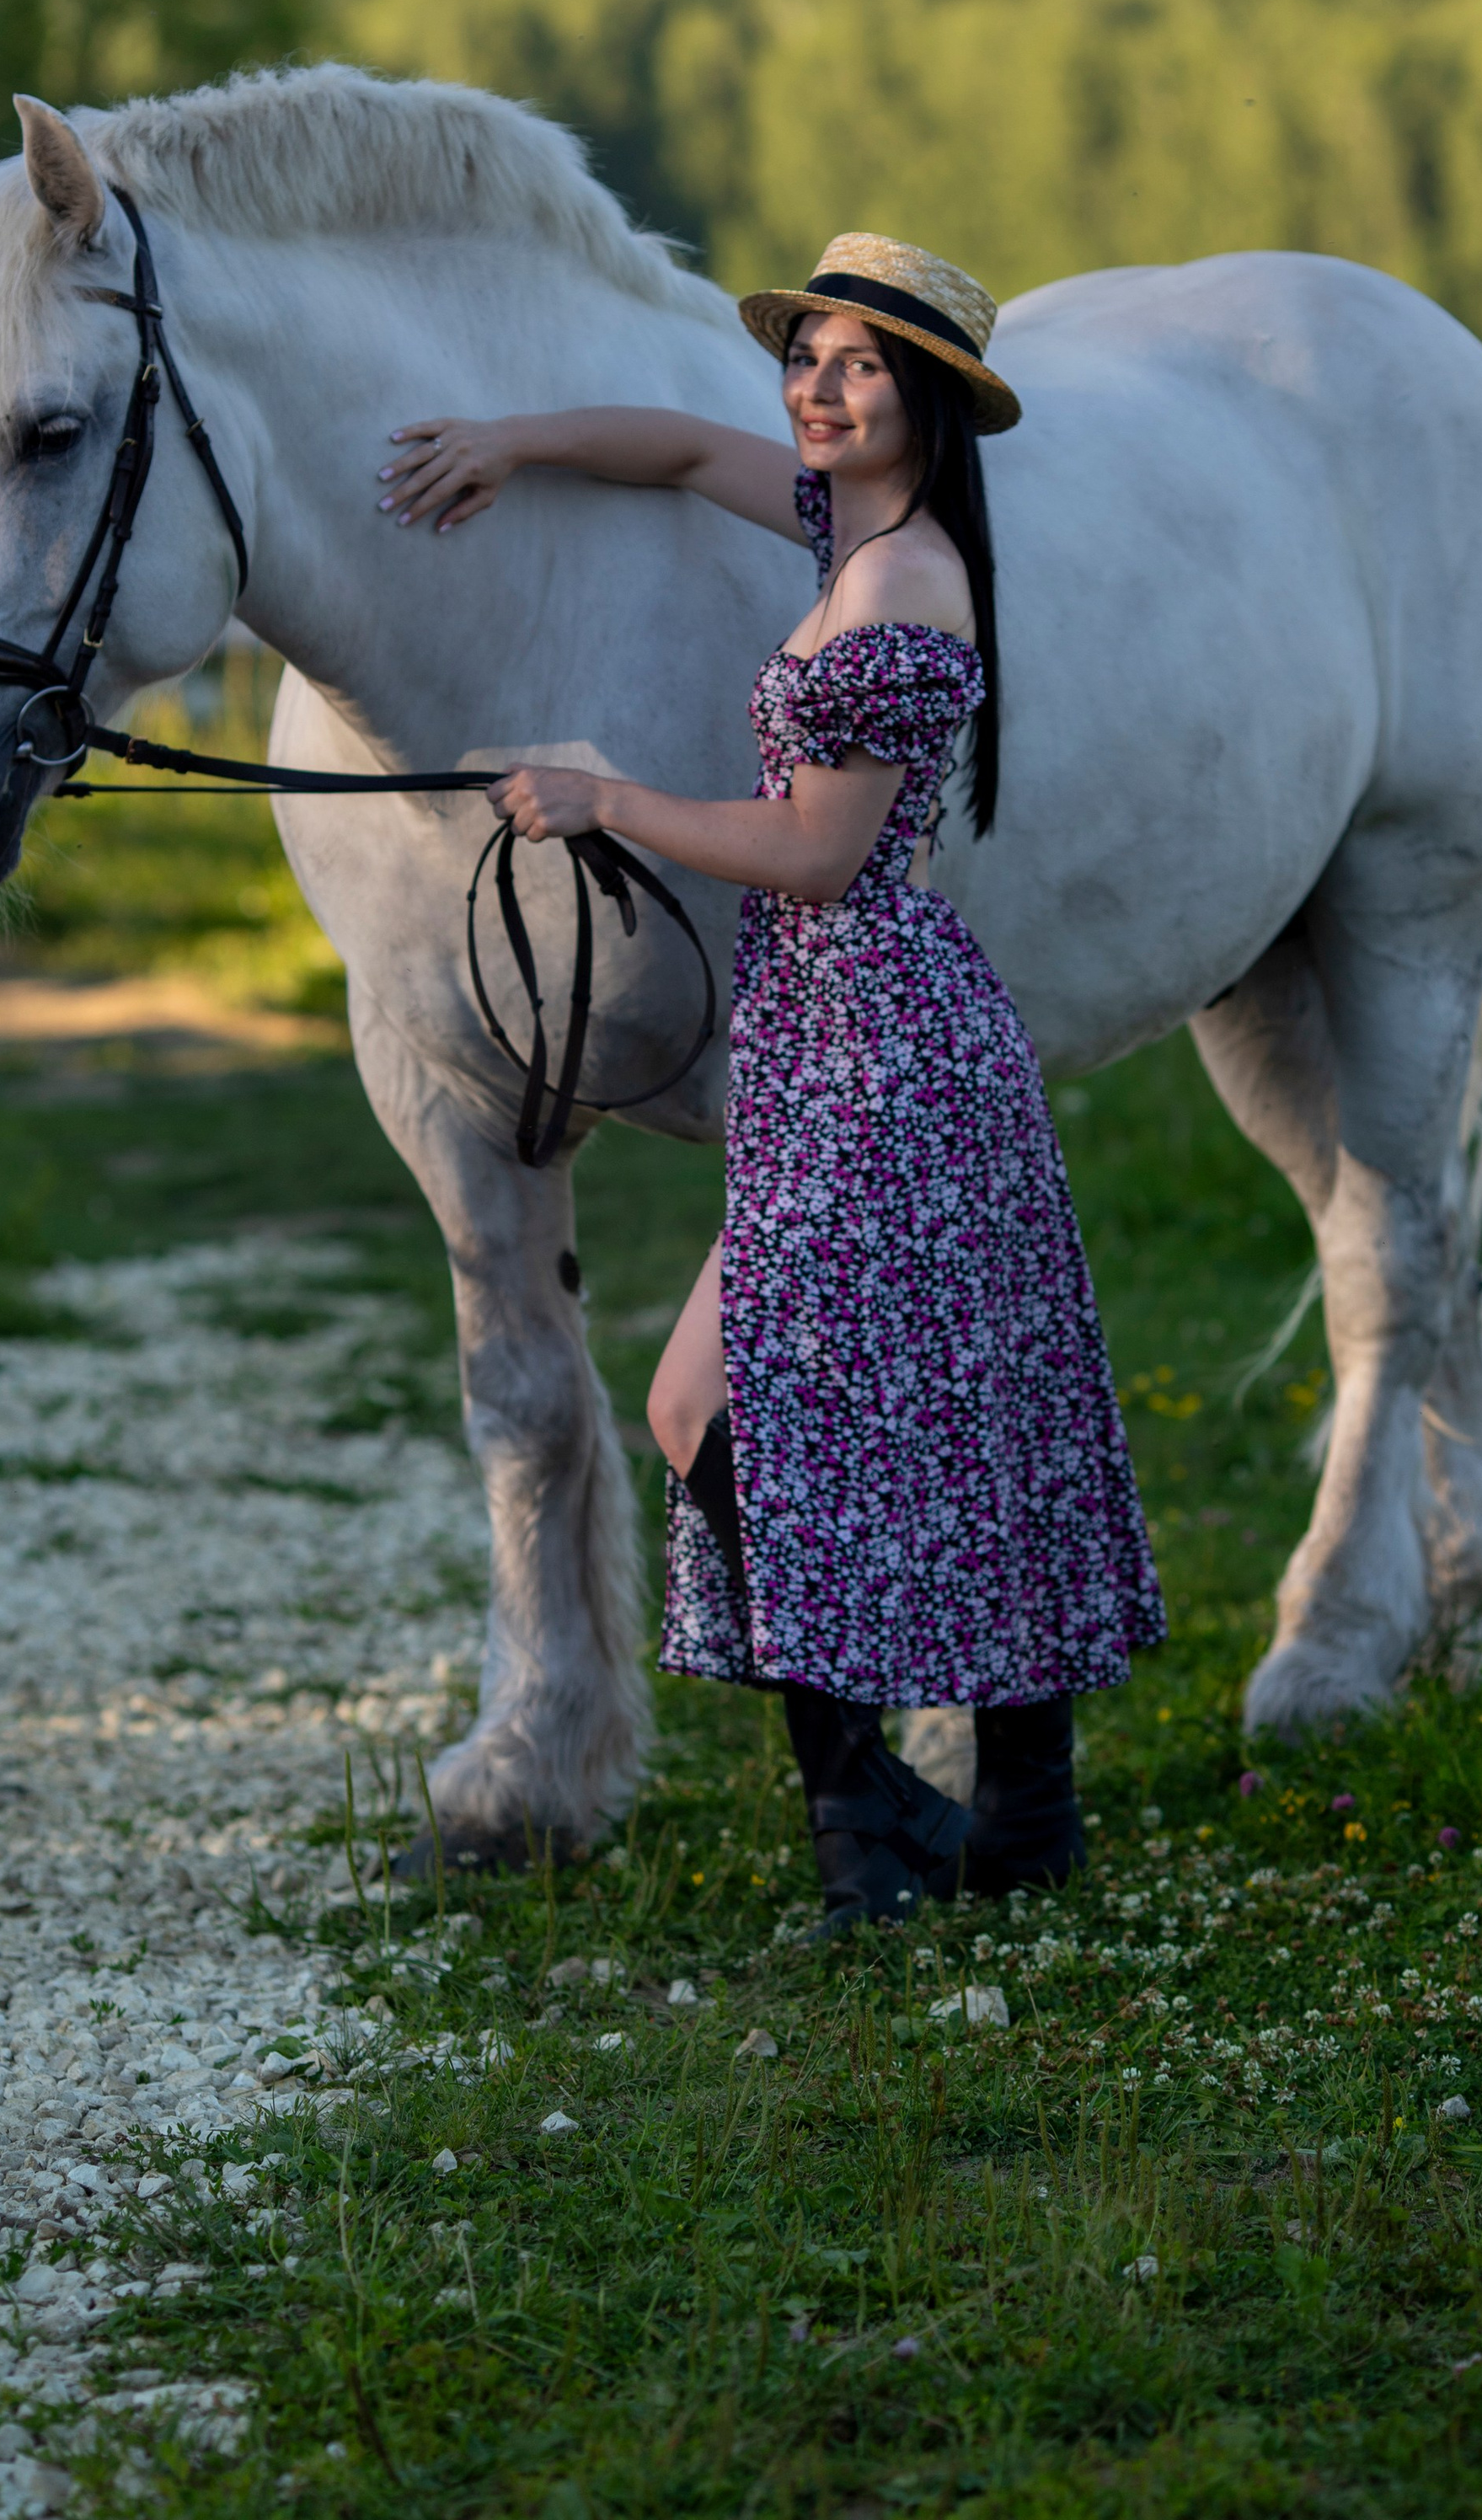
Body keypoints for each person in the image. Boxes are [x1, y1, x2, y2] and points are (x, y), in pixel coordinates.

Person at [378, 233, 1164, 1930]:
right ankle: (998, 1817)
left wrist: (606, 801)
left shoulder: (901, 588)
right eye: (802, 357)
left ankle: (869, 1829)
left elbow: (817, 851)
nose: (813, 387)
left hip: (880, 1042)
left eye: (856, 366)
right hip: (832, 1037)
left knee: (708, 1408)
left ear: (926, 401)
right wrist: (512, 440)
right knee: (955, 1413)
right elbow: (667, 447)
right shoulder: (843, 532)